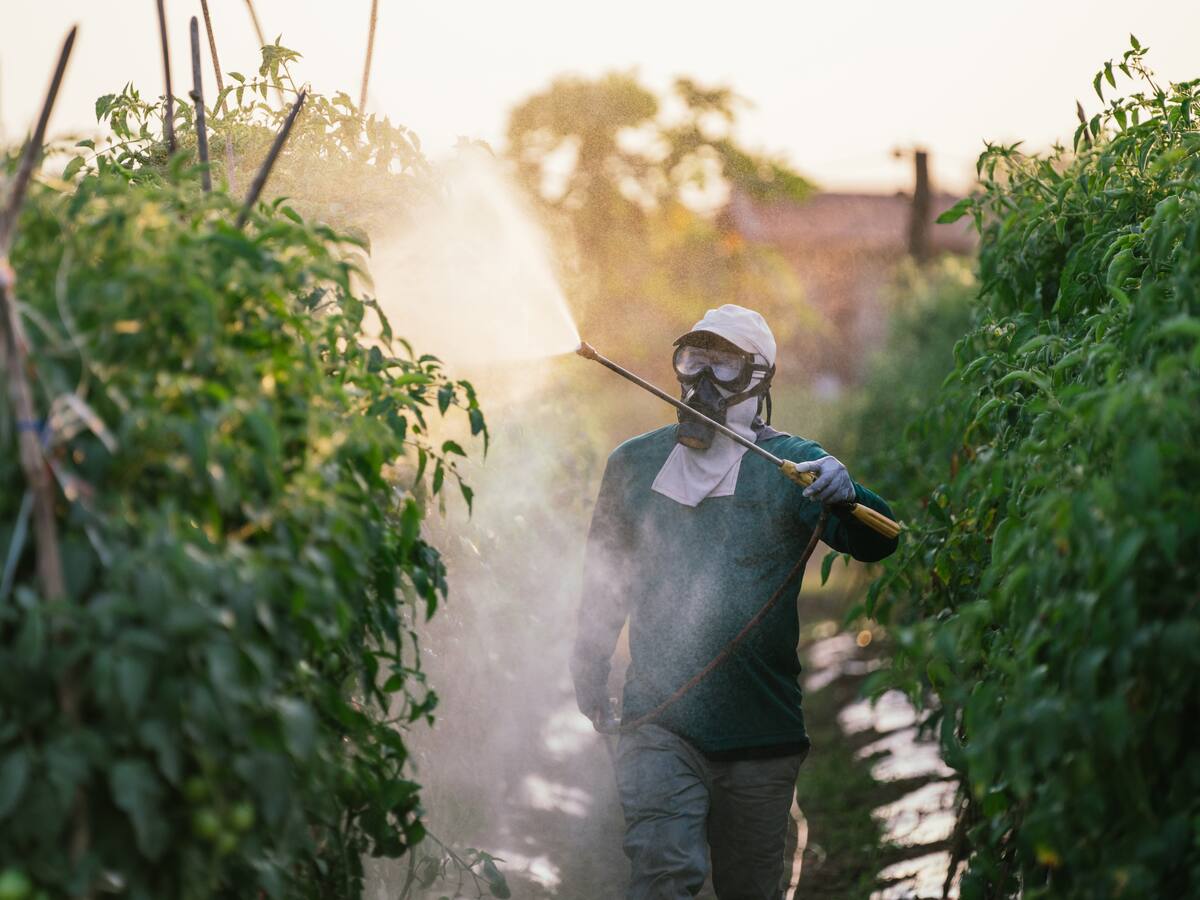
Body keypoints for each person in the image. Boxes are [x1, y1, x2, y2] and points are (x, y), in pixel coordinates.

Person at [571, 304, 898, 900]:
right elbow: (604, 579)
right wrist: (589, 666)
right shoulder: (634, 465)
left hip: (761, 733)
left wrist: (847, 492)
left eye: (724, 367)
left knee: (751, 889)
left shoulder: (791, 469)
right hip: (660, 723)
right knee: (664, 876)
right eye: (694, 361)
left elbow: (879, 541)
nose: (702, 382)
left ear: (759, 379)